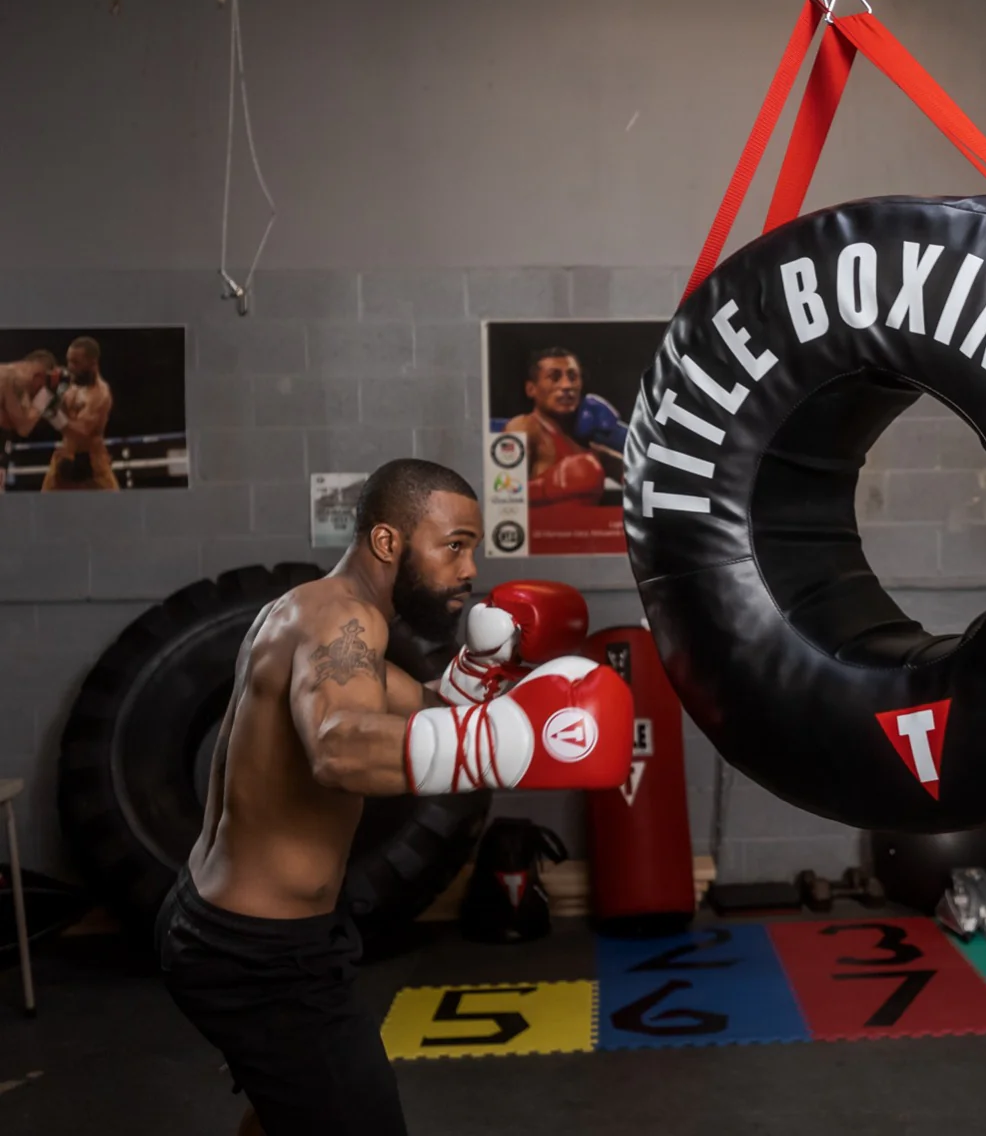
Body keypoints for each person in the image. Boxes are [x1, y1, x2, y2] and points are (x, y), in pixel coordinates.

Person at [155, 458, 632, 1136]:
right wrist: (508, 746)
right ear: (388, 542)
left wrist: (478, 667)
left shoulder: (311, 610)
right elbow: (338, 746)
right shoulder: (343, 622)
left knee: (291, 1107)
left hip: (237, 928)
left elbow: (424, 709)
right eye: (455, 545)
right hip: (257, 956)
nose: (470, 569)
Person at [502, 346, 624, 505]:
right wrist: (548, 487)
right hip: (540, 529)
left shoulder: (587, 450)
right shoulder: (524, 427)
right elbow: (502, 495)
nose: (567, 385)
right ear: (531, 389)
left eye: (573, 377)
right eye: (554, 377)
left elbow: (643, 478)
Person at [41, 335, 118, 491]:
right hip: (64, 456)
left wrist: (52, 414)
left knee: (116, 511)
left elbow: (82, 432)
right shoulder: (70, 384)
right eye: (69, 361)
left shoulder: (100, 394)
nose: (70, 367)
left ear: (92, 363)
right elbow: (40, 407)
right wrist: (47, 392)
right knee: (42, 510)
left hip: (93, 464)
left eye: (76, 363)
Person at [0, 349, 61, 493]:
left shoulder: (19, 381)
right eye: (43, 386)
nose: (38, 393)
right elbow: (24, 427)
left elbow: (23, 419)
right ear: (40, 376)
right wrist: (47, 395)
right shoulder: (12, 379)